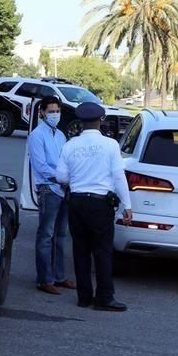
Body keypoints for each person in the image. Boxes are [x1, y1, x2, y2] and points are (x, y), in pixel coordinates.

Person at [55, 102, 132, 312]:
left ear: (80, 122)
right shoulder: (110, 145)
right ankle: (104, 297)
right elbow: (118, 176)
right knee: (102, 251)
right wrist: (127, 205)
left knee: (80, 249)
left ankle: (84, 297)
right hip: (100, 204)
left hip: (77, 201)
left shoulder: (70, 145)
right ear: (101, 120)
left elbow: (61, 176)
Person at [27, 95, 74, 295]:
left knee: (60, 235)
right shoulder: (37, 135)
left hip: (63, 189)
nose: (55, 114)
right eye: (51, 111)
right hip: (49, 188)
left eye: (57, 111)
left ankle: (59, 276)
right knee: (46, 235)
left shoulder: (61, 135)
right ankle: (44, 279)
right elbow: (40, 166)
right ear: (43, 112)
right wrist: (60, 179)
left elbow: (66, 160)